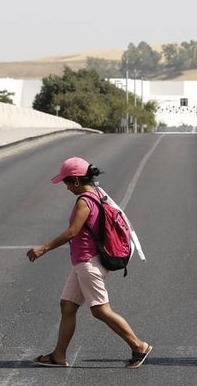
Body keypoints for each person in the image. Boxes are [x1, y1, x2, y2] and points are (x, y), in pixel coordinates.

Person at [27, 157, 152, 368]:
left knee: (100, 310)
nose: (66, 187)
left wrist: (44, 248)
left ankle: (139, 346)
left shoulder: (85, 201)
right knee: (67, 306)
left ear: (76, 181)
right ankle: (59, 355)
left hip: (88, 263)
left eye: (66, 182)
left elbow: (72, 232)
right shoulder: (97, 194)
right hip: (83, 263)